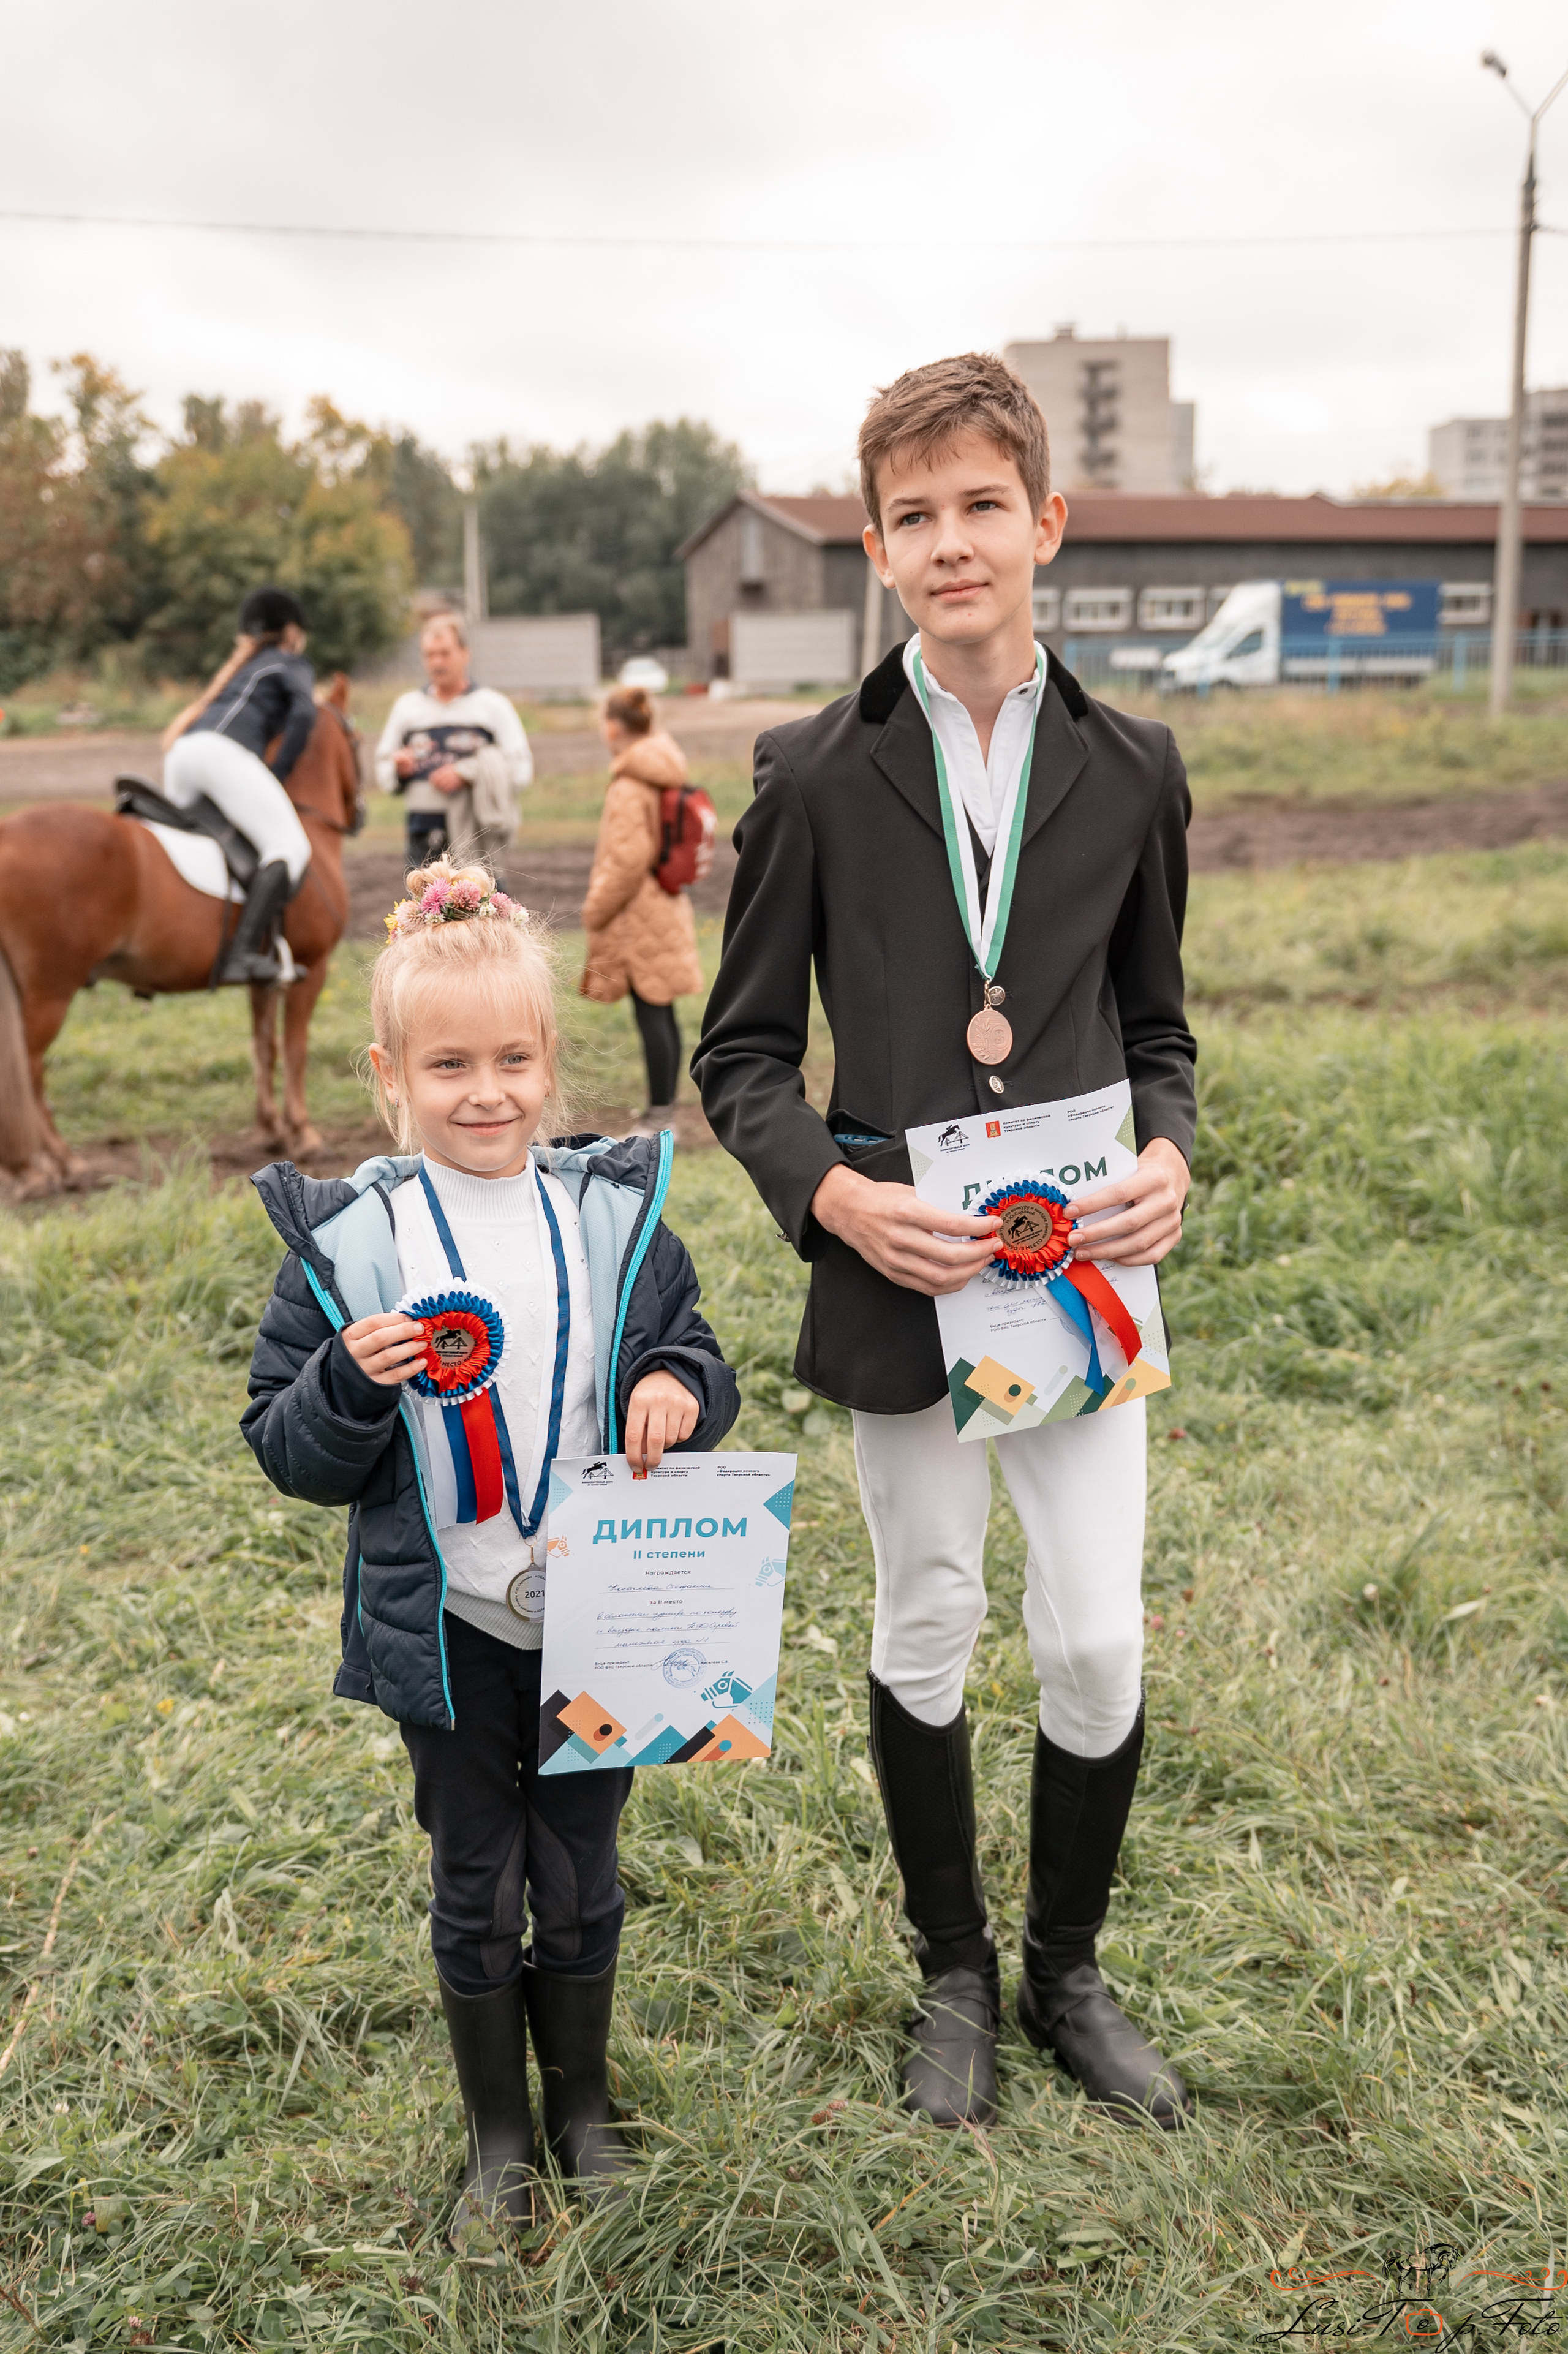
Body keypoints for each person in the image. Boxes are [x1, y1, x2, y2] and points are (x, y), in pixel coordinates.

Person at [694, 353, 1198, 2132]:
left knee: (1097, 1647)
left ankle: (1069, 1966)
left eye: (986, 504)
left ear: (1046, 523)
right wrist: (833, 1194)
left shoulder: (1135, 768)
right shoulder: (814, 774)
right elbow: (740, 1055)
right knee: (926, 1619)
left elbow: (1162, 1033)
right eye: (917, 514)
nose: (953, 539)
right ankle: (956, 1976)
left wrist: (1171, 1156)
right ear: (878, 547)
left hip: (1074, 1288)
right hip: (903, 1282)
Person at [241, 861, 739, 2226]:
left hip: (598, 1616)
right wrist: (347, 1377)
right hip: (450, 1628)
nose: (485, 1091)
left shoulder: (608, 1215)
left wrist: (677, 1388)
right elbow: (287, 1447)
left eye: (512, 1058)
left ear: (547, 1063)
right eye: (448, 1063)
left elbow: (689, 1345)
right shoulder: (354, 1244)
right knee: (478, 1868)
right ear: (388, 1075)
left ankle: (581, 2107)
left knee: (580, 1863)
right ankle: (496, 2137)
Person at [159, 586, 318, 986]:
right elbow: (303, 713)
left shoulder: (239, 670)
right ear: (291, 632)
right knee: (291, 847)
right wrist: (277, 772)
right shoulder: (290, 661)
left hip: (182, 755)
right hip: (222, 754)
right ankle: (243, 954)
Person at [579, 685, 704, 1136]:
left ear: (613, 727)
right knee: (661, 1010)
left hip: (639, 914)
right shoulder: (661, 771)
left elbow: (627, 860)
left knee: (652, 1011)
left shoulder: (631, 784)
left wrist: (595, 910)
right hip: (664, 904)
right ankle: (663, 1108)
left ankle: (659, 1116)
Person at [375, 614, 533, 870]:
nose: (437, 662)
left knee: (483, 911)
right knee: (423, 911)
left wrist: (467, 774)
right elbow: (384, 769)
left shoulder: (493, 707)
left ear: (465, 653)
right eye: (430, 655)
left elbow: (521, 770)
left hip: (478, 841)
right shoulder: (406, 708)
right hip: (423, 839)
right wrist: (399, 771)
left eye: (445, 653)